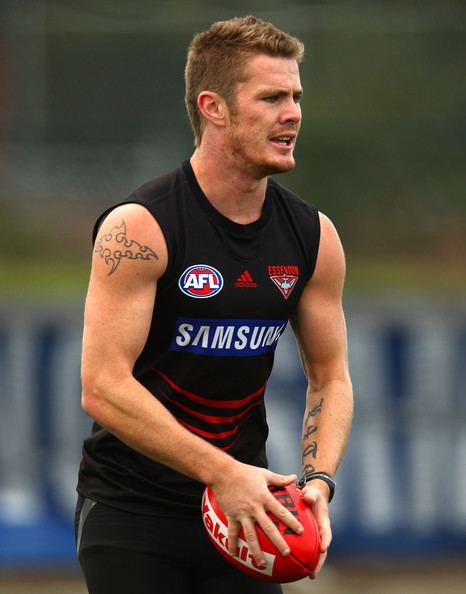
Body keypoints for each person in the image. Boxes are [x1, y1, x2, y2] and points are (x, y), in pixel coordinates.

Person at [75, 15, 353, 594]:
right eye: (272, 96)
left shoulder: (314, 236)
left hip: (246, 514)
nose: (294, 112)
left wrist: (317, 483)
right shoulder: (141, 227)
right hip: (133, 513)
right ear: (214, 106)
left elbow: (330, 377)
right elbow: (103, 385)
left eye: (297, 96)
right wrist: (223, 473)